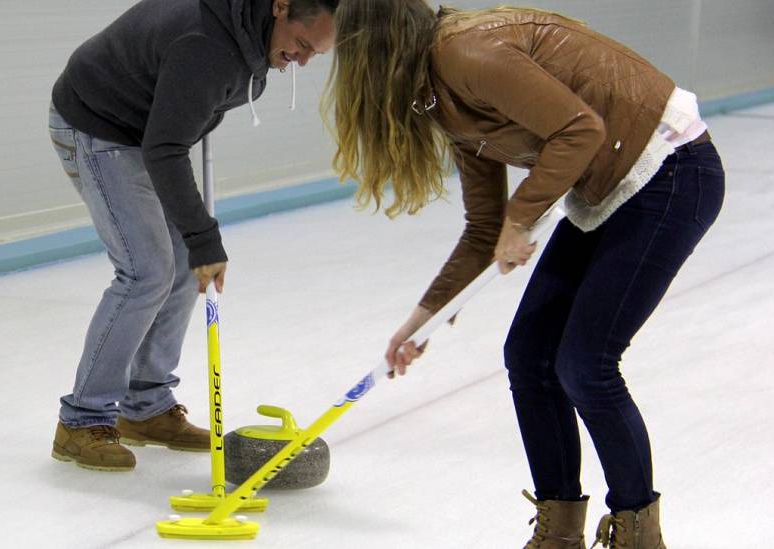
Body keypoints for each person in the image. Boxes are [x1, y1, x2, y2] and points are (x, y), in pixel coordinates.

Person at [325, 2, 724, 548]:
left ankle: (638, 533)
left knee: (586, 365)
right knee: (529, 356)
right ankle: (558, 533)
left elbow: (580, 129)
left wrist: (521, 217)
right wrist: (421, 322)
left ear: (376, 48)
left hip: (671, 171)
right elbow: (483, 228)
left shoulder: (465, 53)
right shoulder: (438, 93)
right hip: (609, 185)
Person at [47, 0, 337, 472]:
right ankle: (81, 420)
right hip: (97, 125)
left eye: (315, 55)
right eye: (301, 45)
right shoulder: (208, 44)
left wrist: (196, 242)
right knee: (146, 271)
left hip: (144, 130)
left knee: (183, 267)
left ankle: (146, 408)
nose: (302, 61)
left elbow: (176, 126)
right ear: (281, 8)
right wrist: (205, 237)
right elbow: (166, 147)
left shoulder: (252, 35)